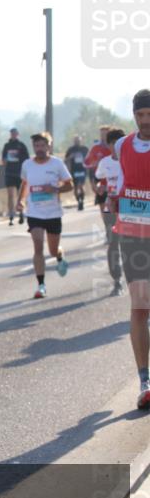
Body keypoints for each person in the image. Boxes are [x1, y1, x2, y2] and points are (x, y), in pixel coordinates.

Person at [112, 89, 150, 410]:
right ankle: (144, 380)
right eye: (140, 115)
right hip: (134, 237)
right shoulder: (122, 145)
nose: (146, 120)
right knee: (140, 307)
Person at [16, 132, 72, 298]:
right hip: (34, 213)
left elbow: (70, 185)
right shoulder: (27, 164)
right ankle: (41, 285)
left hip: (53, 213)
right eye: (36, 146)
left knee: (53, 251)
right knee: (38, 246)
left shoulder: (57, 164)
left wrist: (55, 189)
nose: (39, 149)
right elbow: (25, 184)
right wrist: (20, 201)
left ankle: (59, 256)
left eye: (42, 145)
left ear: (49, 146)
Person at [94, 128, 126, 297]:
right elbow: (98, 179)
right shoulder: (105, 162)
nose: (115, 146)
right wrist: (100, 188)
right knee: (113, 244)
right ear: (108, 145)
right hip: (110, 208)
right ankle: (117, 280)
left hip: (129, 207)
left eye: (118, 143)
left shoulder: (130, 159)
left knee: (131, 246)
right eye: (112, 143)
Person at [1, 128, 30, 226]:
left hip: (19, 173)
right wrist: (5, 160)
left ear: (18, 134)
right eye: (11, 133)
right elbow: (3, 159)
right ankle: (11, 215)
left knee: (20, 195)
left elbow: (27, 159)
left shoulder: (21, 146)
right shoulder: (7, 146)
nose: (13, 135)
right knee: (10, 195)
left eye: (15, 133)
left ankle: (21, 213)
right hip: (9, 173)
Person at [64, 135, 89, 211]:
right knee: (75, 188)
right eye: (75, 140)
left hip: (82, 169)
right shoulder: (71, 149)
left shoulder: (84, 149)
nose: (77, 142)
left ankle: (82, 200)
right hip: (74, 170)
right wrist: (70, 157)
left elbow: (90, 158)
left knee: (81, 185)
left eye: (78, 140)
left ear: (81, 141)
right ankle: (78, 201)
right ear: (73, 141)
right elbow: (65, 160)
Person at [85, 125, 113, 191]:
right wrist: (92, 182)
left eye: (105, 134)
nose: (102, 136)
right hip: (100, 181)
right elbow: (88, 164)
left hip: (112, 180)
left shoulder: (115, 146)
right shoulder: (95, 147)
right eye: (101, 134)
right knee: (100, 200)